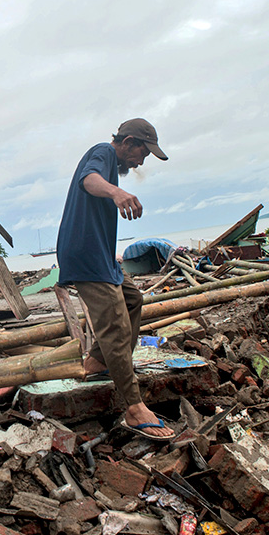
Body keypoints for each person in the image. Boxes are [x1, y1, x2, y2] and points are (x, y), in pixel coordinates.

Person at [56, 118, 175, 441]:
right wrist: (117, 193)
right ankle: (135, 408)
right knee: (116, 325)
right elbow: (88, 180)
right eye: (141, 154)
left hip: (103, 256)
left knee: (133, 300)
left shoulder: (111, 160)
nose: (140, 162)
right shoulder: (103, 154)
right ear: (129, 142)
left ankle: (98, 360)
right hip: (86, 255)